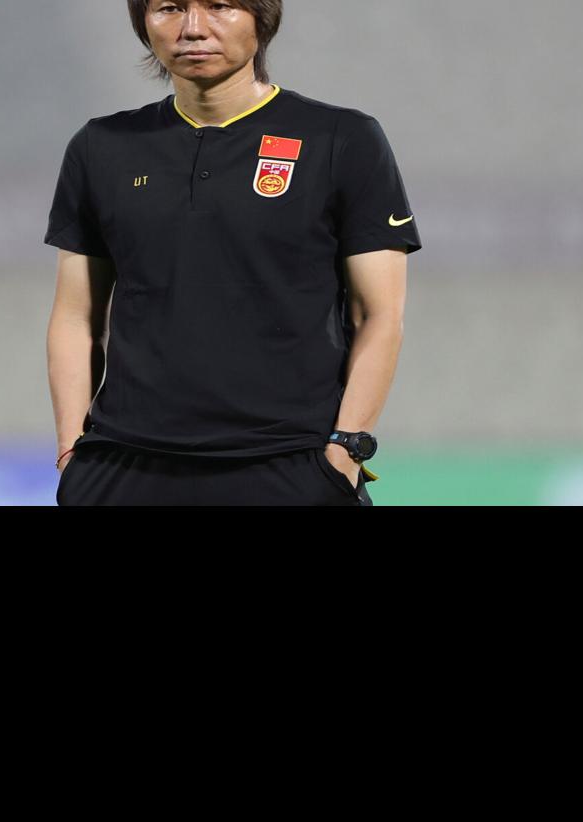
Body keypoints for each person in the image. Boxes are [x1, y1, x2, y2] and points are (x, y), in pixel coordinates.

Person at [45, 0, 420, 505]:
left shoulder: (341, 139)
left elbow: (379, 314)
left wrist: (346, 449)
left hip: (289, 464)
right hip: (125, 464)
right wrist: (71, 452)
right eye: (169, 8)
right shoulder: (102, 145)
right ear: (143, 23)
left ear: (262, 18)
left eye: (219, 6)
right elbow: (76, 316)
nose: (193, 28)